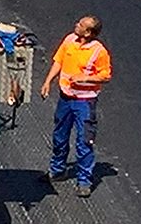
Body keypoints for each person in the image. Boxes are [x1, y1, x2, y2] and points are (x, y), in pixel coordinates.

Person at [41, 14, 113, 197]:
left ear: (88, 32)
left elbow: (106, 76)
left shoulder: (99, 52)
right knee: (59, 136)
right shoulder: (69, 40)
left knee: (84, 141)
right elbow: (59, 61)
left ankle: (84, 181)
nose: (76, 25)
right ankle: (57, 170)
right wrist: (48, 81)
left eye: (81, 25)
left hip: (84, 102)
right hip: (65, 99)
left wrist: (85, 78)